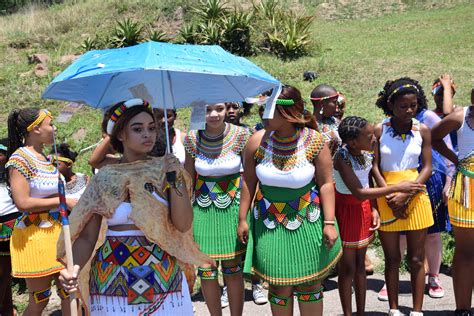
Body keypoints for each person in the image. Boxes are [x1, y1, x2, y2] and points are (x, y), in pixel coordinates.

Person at [58, 99, 212, 315]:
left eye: (151, 128)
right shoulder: (106, 178)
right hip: (113, 274)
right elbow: (87, 237)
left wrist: (175, 178)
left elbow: (183, 224)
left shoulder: (166, 171)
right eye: (138, 129)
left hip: (160, 271)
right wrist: (73, 267)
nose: (147, 134)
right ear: (121, 135)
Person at [238, 85, 342, 316]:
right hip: (269, 225)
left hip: (308, 222)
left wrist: (328, 223)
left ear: (287, 113)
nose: (263, 115)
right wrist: (242, 219)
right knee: (278, 285)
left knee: (310, 284)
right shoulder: (257, 142)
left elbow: (326, 183)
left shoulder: (314, 141)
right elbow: (248, 182)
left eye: (268, 110)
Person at [334, 116, 425, 316]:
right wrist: (398, 187)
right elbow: (358, 192)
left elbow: (369, 182)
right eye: (369, 136)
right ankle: (348, 313)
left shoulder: (366, 152)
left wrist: (374, 208)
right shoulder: (341, 158)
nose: (374, 138)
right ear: (353, 142)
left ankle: (361, 312)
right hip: (347, 210)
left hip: (363, 209)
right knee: (348, 267)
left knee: (360, 265)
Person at [372, 78, 434, 316]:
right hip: (386, 195)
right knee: (392, 258)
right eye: (403, 106)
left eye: (414, 105)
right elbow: (374, 166)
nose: (409, 111)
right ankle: (394, 309)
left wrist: (406, 194)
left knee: (418, 259)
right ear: (391, 104)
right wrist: (388, 195)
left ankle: (417, 311)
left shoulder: (423, 130)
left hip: (416, 195)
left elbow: (426, 167)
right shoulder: (379, 130)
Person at [184, 103, 251, 315]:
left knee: (232, 270)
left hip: (233, 208)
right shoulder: (192, 139)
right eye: (207, 109)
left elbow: (249, 179)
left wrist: (243, 218)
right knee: (207, 271)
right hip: (202, 211)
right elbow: (188, 181)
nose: (214, 114)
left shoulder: (241, 135)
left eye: (219, 109)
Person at [6, 108, 75, 315]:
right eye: (50, 124)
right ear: (35, 129)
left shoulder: (45, 158)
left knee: (69, 291)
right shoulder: (19, 159)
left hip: (57, 232)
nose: (54, 128)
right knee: (41, 298)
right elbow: (23, 202)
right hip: (34, 235)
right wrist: (63, 201)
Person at [432, 104, 474, 316]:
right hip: (467, 189)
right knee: (466, 251)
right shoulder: (461, 116)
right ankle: (463, 308)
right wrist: (456, 158)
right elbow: (434, 136)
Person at [0, 139, 20, 316]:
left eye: (0, 154)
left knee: (4, 273)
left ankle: (6, 309)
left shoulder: (13, 175)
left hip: (10, 228)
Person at [310, 84, 344, 155]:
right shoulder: (308, 127)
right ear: (322, 103)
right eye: (334, 102)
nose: (336, 106)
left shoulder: (337, 122)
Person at [432, 74, 458, 150]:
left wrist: (447, 87)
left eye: (446, 93)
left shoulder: (459, 112)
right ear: (433, 95)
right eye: (440, 94)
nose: (443, 97)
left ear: (453, 94)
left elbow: (448, 114)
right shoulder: (429, 115)